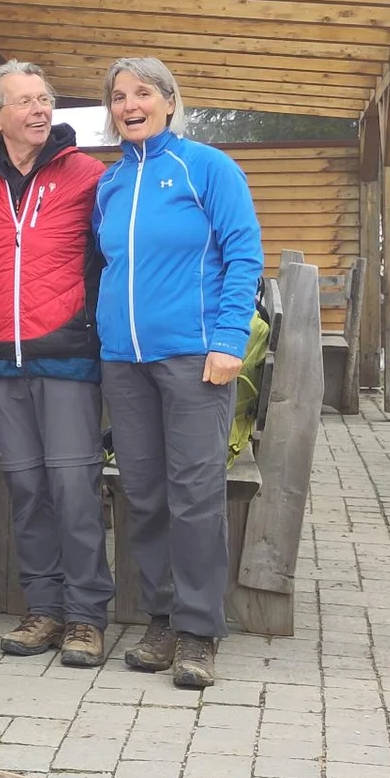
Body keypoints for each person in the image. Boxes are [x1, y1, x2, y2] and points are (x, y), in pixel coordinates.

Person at [93, 58, 263, 691]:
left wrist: (229, 340)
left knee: (194, 494)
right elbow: (106, 264)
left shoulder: (208, 168)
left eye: (142, 94)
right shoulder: (110, 183)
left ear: (169, 102)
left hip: (196, 359)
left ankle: (198, 631)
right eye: (118, 97)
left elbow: (244, 253)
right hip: (123, 361)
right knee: (143, 493)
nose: (129, 105)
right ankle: (161, 619)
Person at [0, 62, 113, 669]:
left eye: (44, 99)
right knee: (26, 491)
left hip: (68, 354)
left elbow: (112, 257)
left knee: (74, 490)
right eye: (24, 101)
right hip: (2, 358)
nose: (40, 109)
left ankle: (85, 616)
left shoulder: (88, 176)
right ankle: (44, 608)